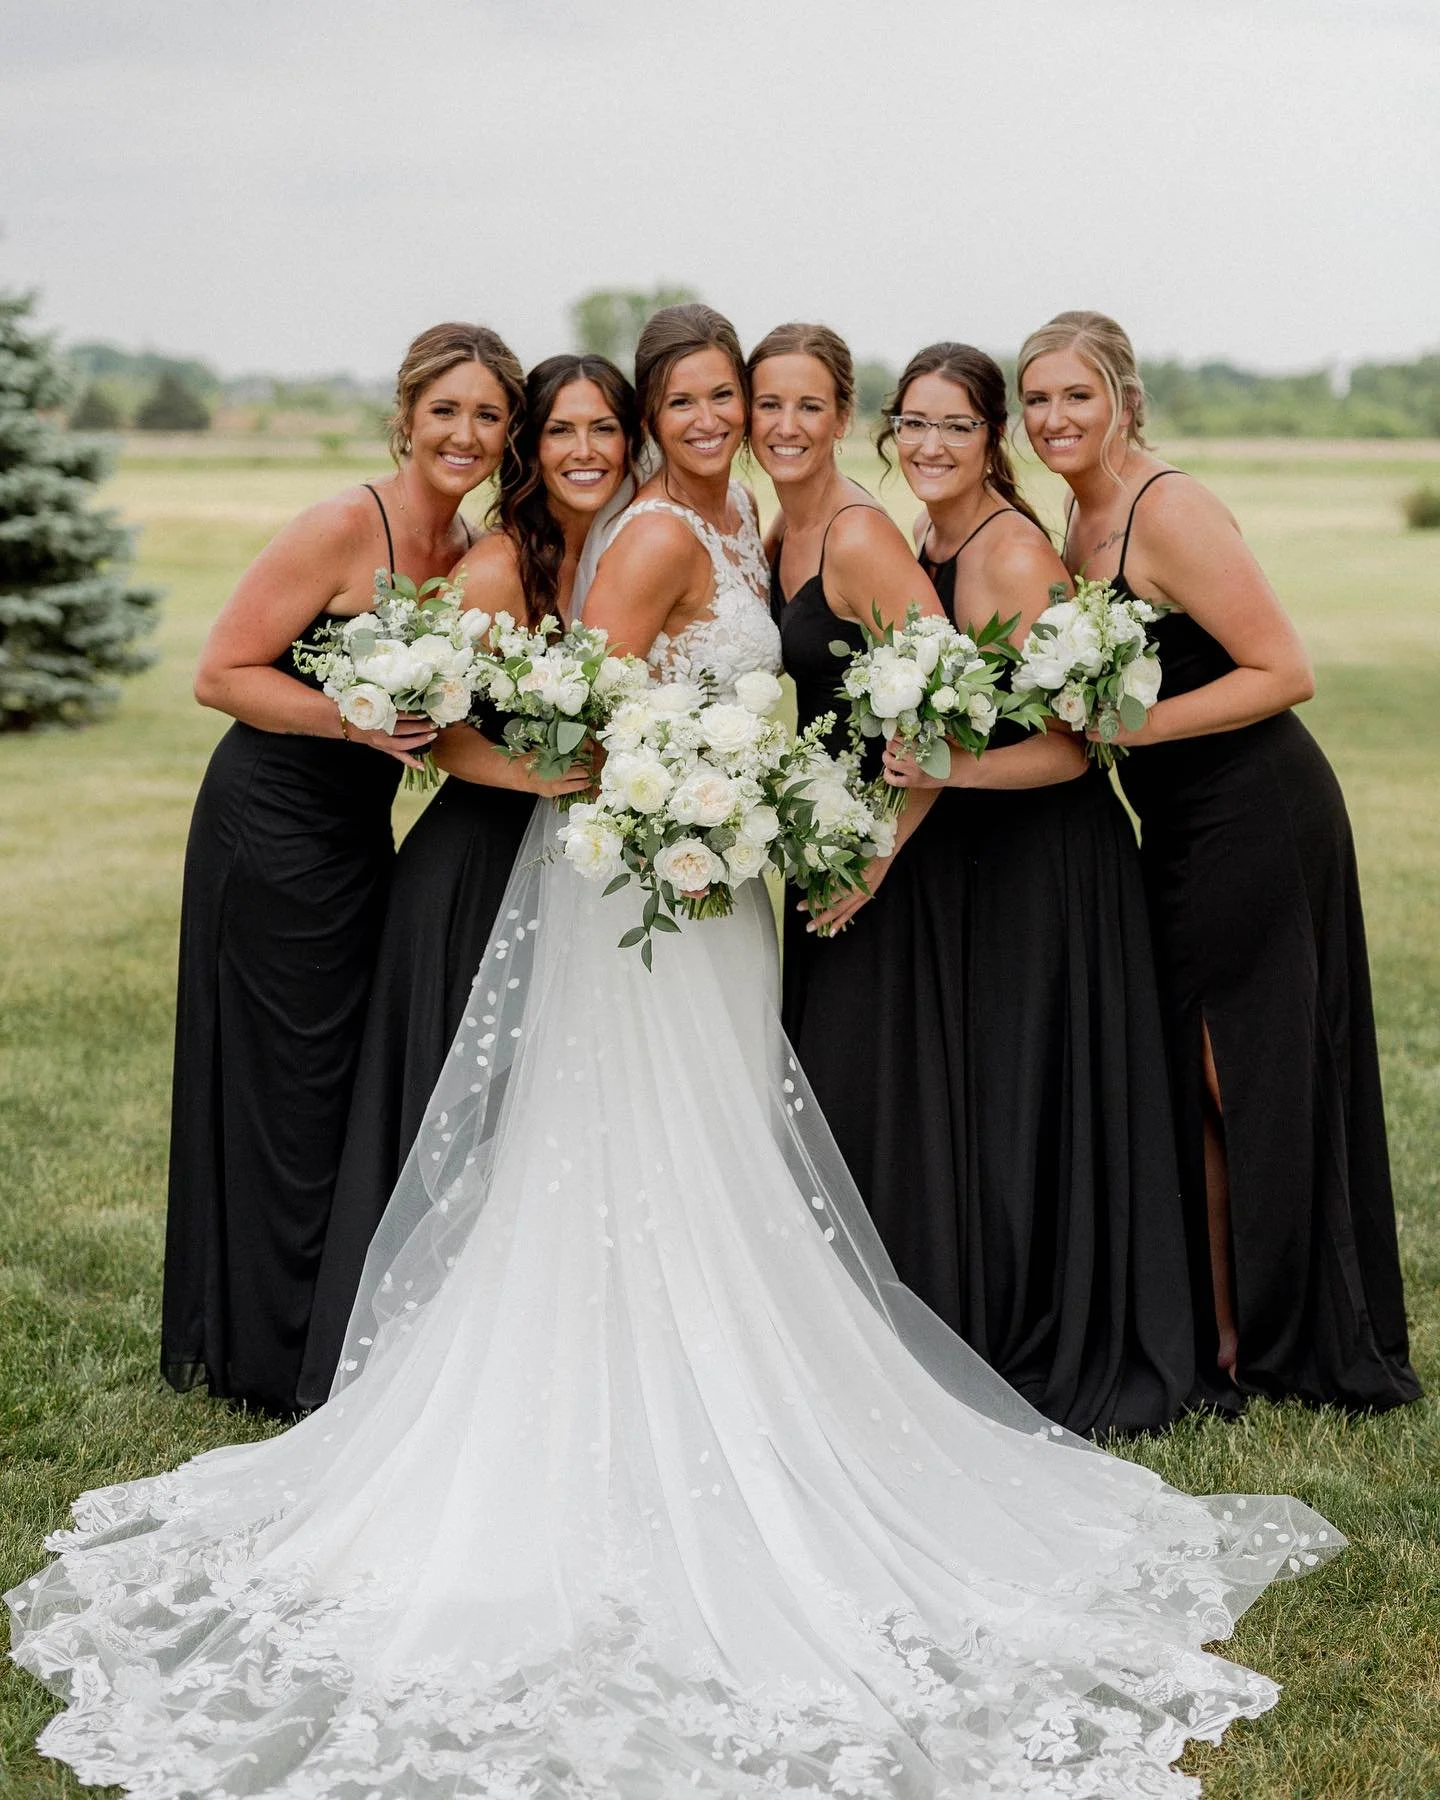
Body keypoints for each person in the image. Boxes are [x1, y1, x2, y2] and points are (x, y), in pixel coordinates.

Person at [7, 308, 1341, 1800]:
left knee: (714, 1144)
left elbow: (845, 700)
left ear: (820, 415)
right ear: (661, 414)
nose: (730, 420)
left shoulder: (757, 533)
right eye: (704, 399)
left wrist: (762, 813)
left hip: (713, 892)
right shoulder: (657, 537)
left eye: (754, 398)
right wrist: (658, 808)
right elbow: (564, 718)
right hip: (661, 890)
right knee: (651, 1139)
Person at [760, 328, 1196, 1433]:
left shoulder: (1005, 554)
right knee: (988, 1104)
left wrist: (933, 789)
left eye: (958, 424)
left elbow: (1071, 746)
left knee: (1028, 1102)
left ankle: (1050, 1327)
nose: (932, 442)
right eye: (915, 422)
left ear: (991, 438)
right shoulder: (923, 532)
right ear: (892, 431)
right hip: (982, 859)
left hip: (1051, 861)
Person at [1019, 308, 1420, 1413]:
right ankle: (1224, 1323)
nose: (1054, 417)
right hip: (1175, 825)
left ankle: (1301, 1333)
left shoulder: (1168, 505)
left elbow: (1282, 669)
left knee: (1246, 1073)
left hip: (1257, 810)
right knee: (1193, 1077)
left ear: (1124, 400)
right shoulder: (1078, 510)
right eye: (1037, 399)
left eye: (1076, 396)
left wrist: (1126, 731)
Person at [161, 322, 523, 1417]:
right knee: (279, 1081)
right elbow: (220, 673)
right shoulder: (340, 525)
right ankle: (256, 1352)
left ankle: (315, 1318)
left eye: (488, 416)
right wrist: (355, 721)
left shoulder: (466, 553)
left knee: (333, 1085)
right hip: (268, 826)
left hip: (360, 839)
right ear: (407, 414)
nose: (464, 434)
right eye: (446, 410)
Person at [294, 355, 642, 1408]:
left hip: (570, 867)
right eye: (559, 432)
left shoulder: (621, 552)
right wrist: (533, 774)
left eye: (603, 430)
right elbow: (426, 720)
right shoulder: (497, 567)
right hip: (473, 868)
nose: (582, 452)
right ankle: (403, 1364)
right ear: (531, 452)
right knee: (452, 1111)